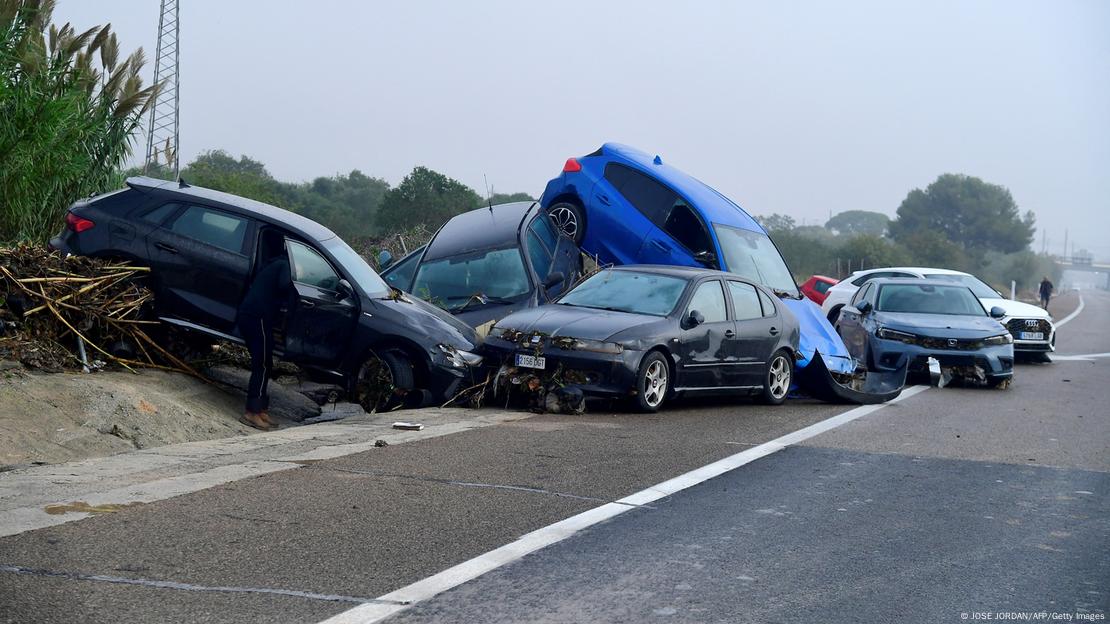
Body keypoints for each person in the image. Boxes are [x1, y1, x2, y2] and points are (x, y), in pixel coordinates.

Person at [236, 231, 296, 430]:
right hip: (256, 317)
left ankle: (261, 409)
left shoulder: (274, 263)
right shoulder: (283, 266)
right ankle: (251, 412)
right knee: (261, 364)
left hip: (256, 316)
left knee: (267, 362)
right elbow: (285, 285)